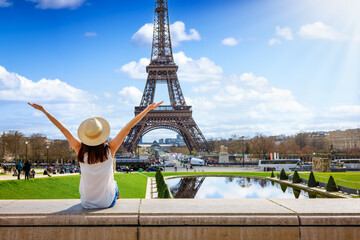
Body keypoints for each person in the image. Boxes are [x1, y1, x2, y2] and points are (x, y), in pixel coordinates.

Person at [28, 101, 163, 209]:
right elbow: (128, 127)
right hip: (106, 203)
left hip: (86, 203)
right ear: (102, 134)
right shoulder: (110, 149)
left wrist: (44, 111)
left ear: (86, 136)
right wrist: (147, 110)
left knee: (112, 185)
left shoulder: (79, 148)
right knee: (115, 185)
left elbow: (62, 129)